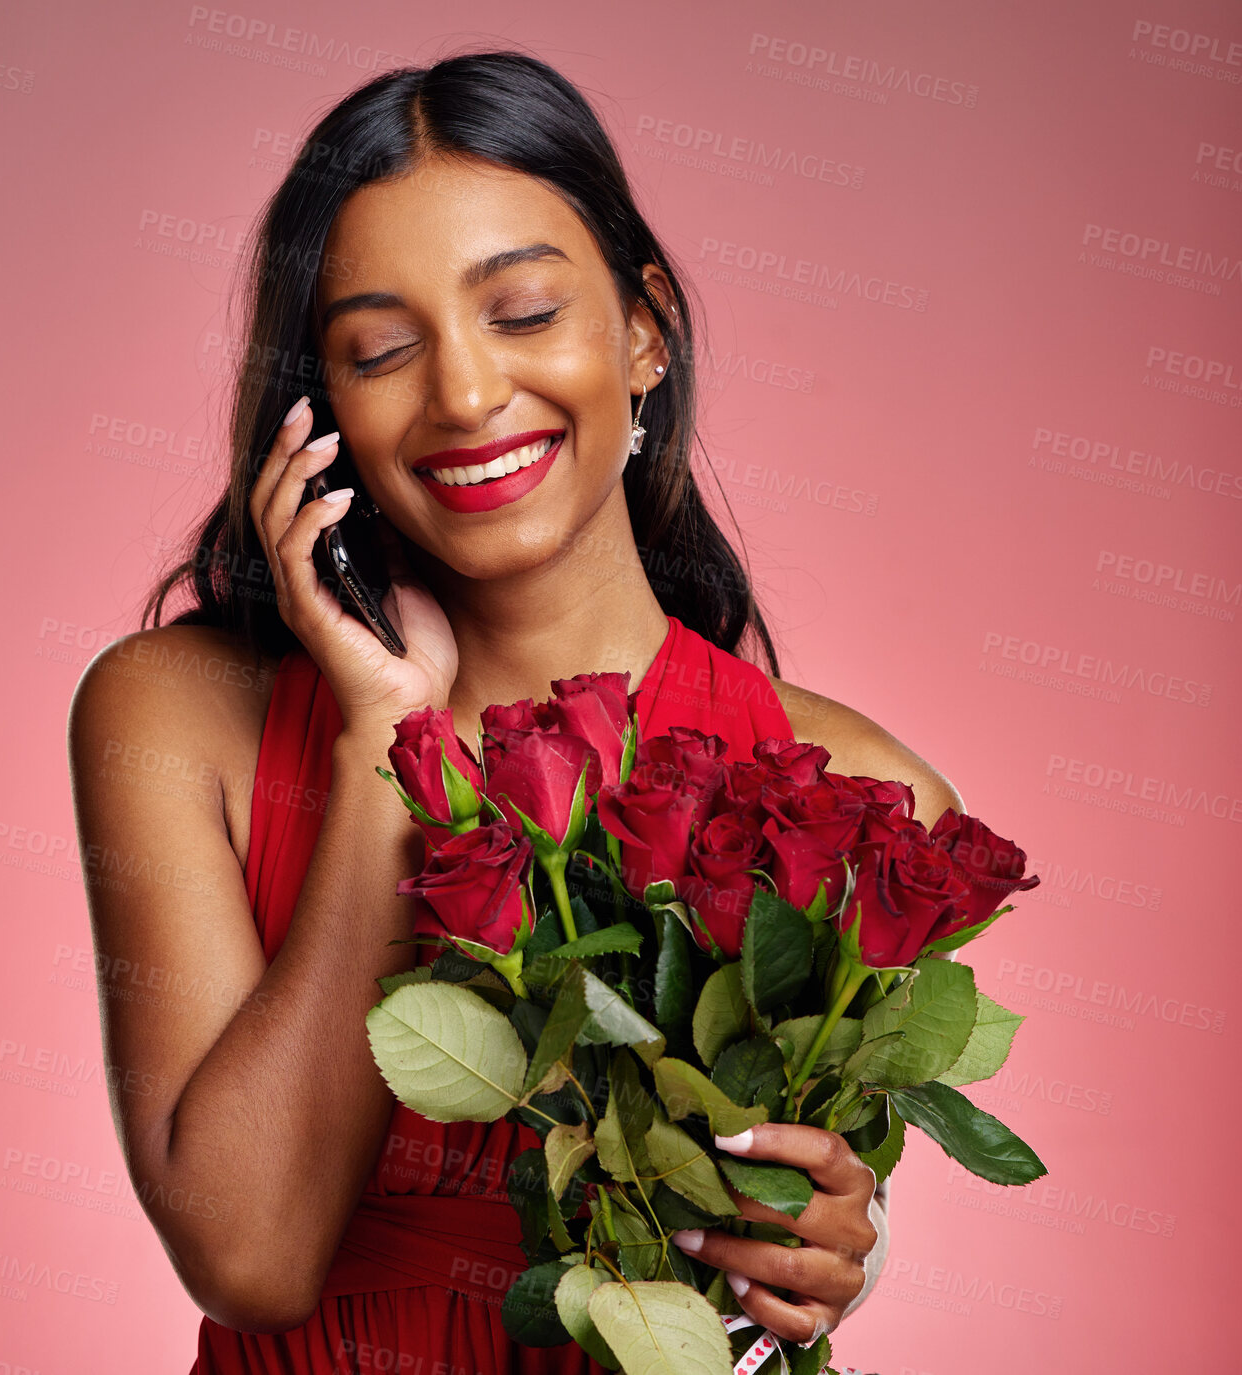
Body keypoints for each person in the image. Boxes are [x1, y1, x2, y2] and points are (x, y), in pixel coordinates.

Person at [67, 49, 964, 1372]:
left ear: (645, 329)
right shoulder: (173, 716)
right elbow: (249, 1258)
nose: (469, 395)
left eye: (525, 313)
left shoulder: (859, 795)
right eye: (382, 348)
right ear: (323, 407)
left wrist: (843, 1246)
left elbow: (804, 1246)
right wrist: (389, 739)